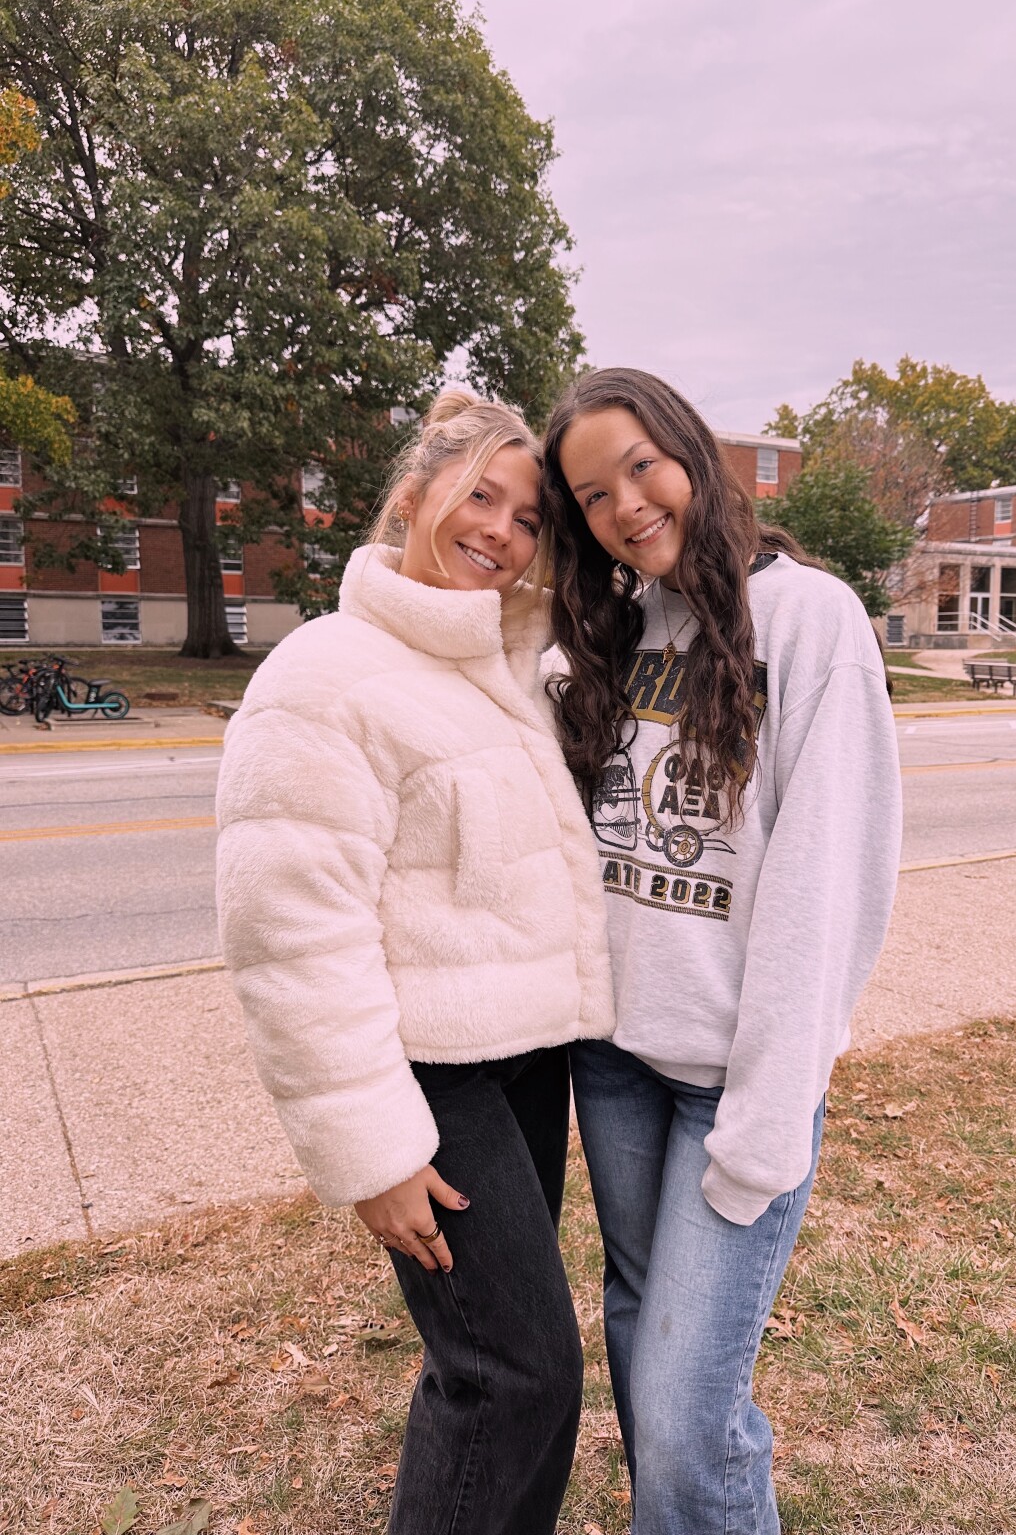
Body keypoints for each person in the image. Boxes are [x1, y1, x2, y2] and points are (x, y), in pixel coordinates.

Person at [215, 392, 614, 1535]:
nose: (501, 530)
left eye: (529, 517)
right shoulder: (324, 674)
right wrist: (375, 1149)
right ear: (413, 494)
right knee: (512, 1372)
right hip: (431, 1082)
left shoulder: (505, 664)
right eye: (480, 495)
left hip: (524, 1062)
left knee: (514, 1368)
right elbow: (289, 934)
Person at [540, 368, 902, 1535]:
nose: (626, 507)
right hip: (616, 1063)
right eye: (592, 496)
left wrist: (766, 1119)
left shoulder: (809, 618)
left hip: (730, 1086)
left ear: (691, 451)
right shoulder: (612, 629)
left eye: (640, 467)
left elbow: (825, 887)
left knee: (688, 1414)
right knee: (644, 1344)